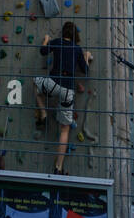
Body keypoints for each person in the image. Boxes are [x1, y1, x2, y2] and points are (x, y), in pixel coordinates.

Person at [33, 22, 91, 175]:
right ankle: (58, 167)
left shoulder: (57, 42)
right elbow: (85, 70)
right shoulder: (77, 49)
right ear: (75, 36)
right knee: (64, 130)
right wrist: (86, 56)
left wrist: (46, 39)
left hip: (53, 82)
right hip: (67, 89)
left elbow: (43, 51)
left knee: (36, 87)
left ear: (63, 33)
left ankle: (43, 113)